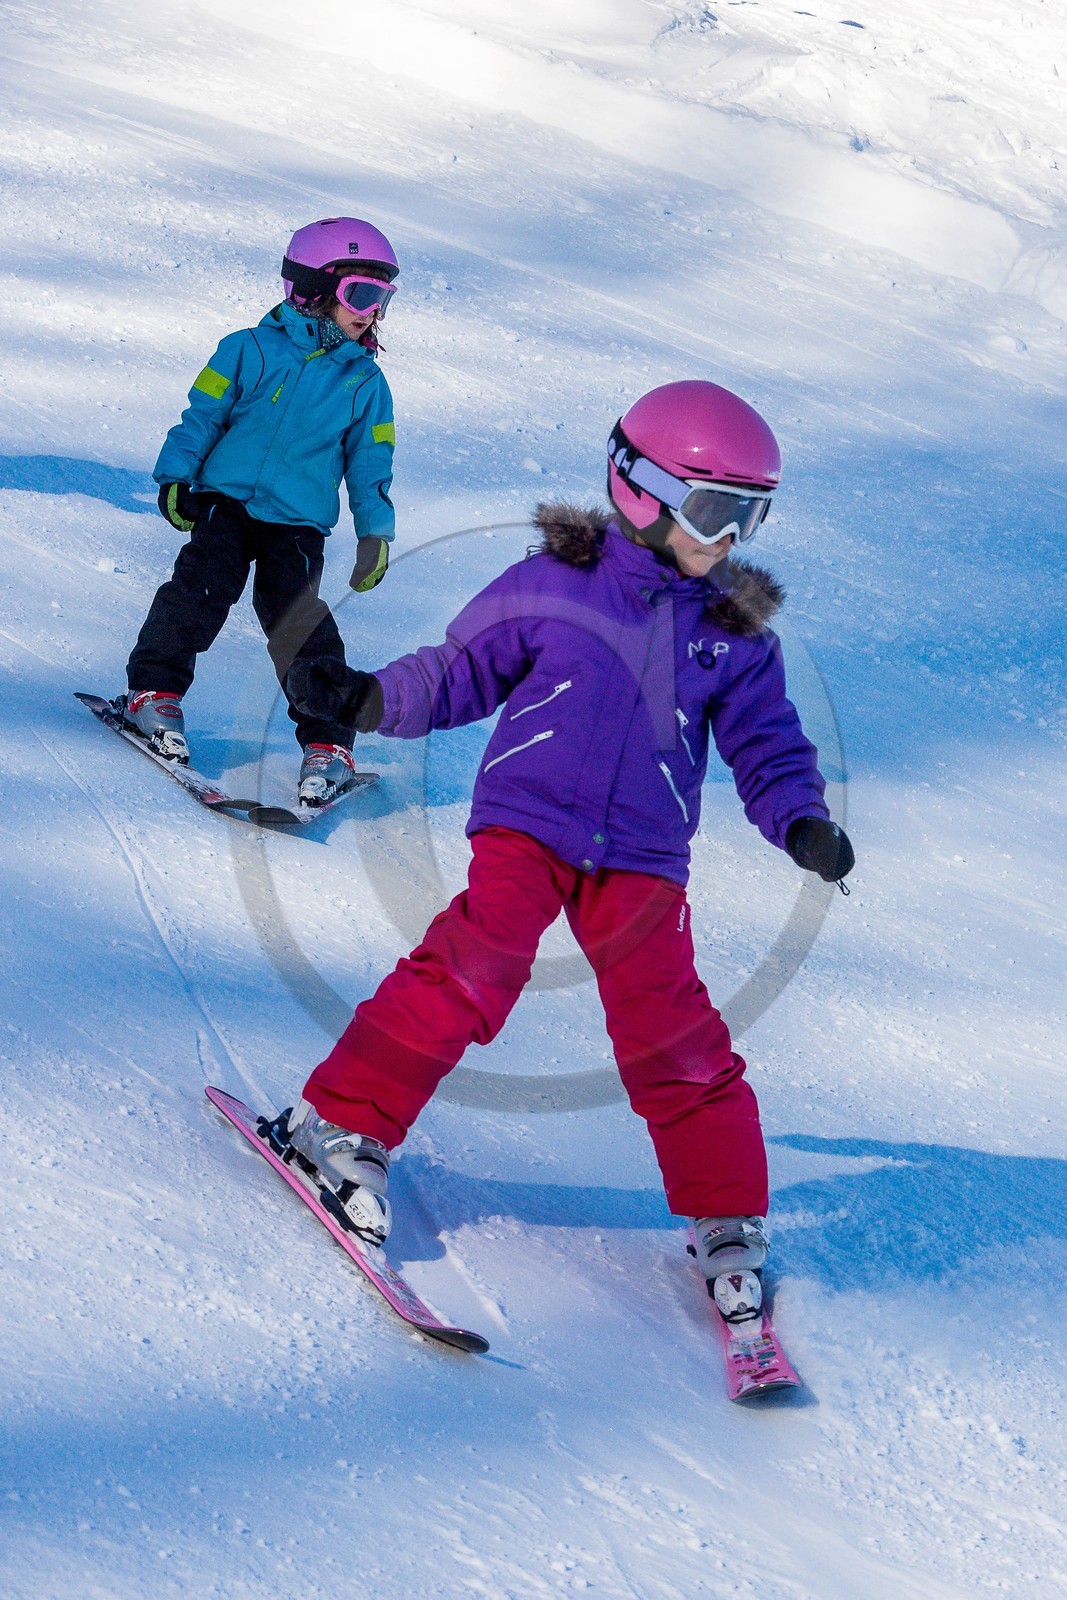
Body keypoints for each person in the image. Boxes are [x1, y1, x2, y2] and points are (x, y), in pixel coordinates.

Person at [274, 380, 855, 1307]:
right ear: (641, 487)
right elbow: (462, 670)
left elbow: (768, 743)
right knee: (476, 964)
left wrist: (801, 819)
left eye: (751, 515)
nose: (729, 537)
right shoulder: (554, 583)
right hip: (529, 824)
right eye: (715, 510)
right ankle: (336, 1124)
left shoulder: (733, 634)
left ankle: (725, 1215)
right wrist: (368, 700)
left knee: (670, 1024)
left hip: (642, 855)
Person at [121, 216, 399, 804]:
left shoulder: (365, 384)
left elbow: (372, 467)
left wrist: (375, 533)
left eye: (382, 298)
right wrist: (176, 476)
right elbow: (200, 417)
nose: (372, 311)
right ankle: (154, 694)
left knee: (297, 622)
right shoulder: (244, 350)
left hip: (297, 525)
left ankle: (329, 742)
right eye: (362, 293)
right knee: (198, 591)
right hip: (225, 503)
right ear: (311, 287)